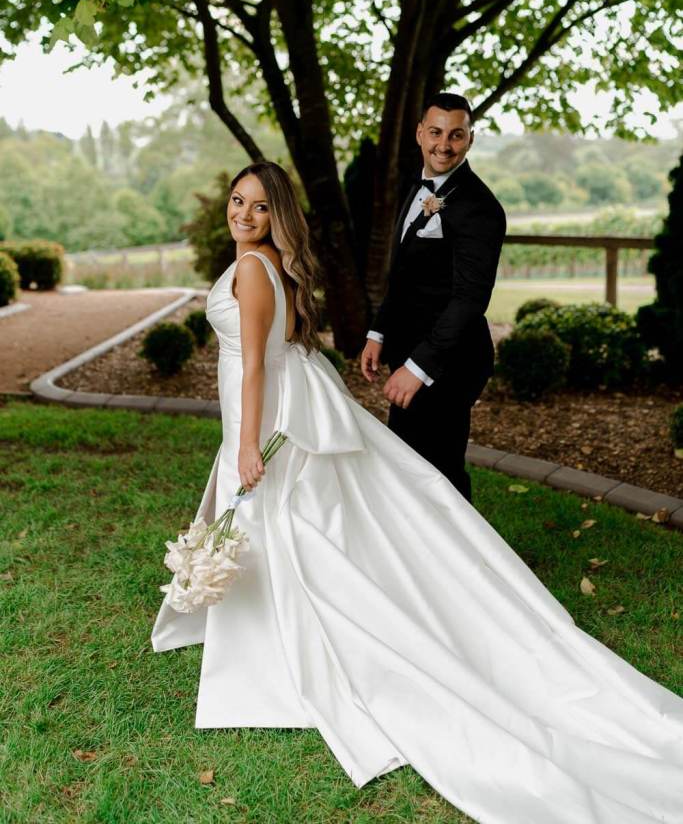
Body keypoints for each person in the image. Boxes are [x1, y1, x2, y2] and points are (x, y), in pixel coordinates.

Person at [152, 161, 683, 824]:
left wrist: (246, 443)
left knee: (289, 525)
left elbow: (256, 362)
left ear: (277, 216)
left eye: (259, 207)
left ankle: (302, 638)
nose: (243, 214)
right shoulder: (263, 264)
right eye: (236, 201)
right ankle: (269, 629)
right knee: (281, 527)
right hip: (267, 402)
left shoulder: (256, 269)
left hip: (263, 411)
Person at [361, 92, 506, 502]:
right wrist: (379, 332)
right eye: (437, 132)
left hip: (449, 361)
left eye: (456, 135)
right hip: (409, 349)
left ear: (470, 139)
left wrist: (419, 366)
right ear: (420, 133)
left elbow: (469, 298)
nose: (445, 144)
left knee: (437, 471)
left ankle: (464, 562)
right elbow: (405, 274)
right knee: (408, 464)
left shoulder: (479, 207)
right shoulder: (416, 186)